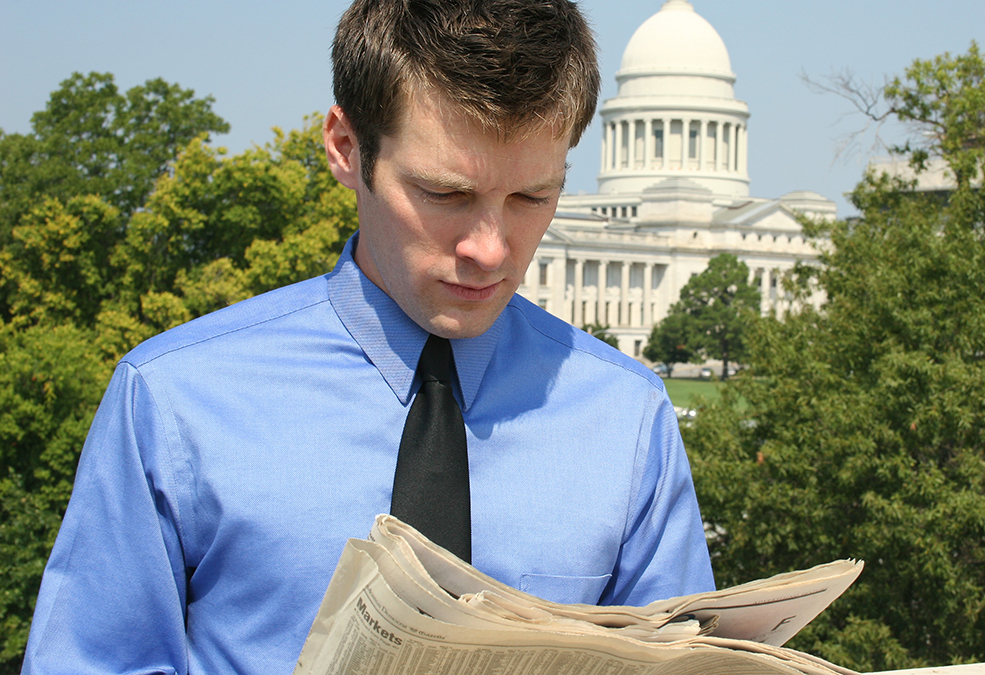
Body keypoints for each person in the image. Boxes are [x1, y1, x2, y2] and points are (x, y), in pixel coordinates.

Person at [21, 0, 715, 673]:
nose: (491, 249)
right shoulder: (173, 401)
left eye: (534, 197)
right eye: (446, 194)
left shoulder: (626, 418)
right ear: (346, 148)